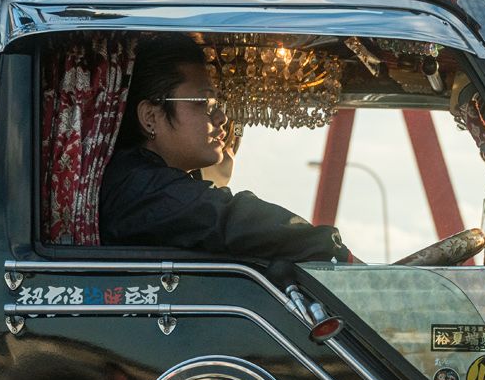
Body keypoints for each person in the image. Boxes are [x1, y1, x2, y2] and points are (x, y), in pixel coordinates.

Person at [99, 37, 350, 263]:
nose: (221, 117)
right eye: (203, 103)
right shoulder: (136, 187)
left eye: (217, 104)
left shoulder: (149, 184)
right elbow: (227, 219)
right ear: (150, 116)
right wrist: (333, 252)